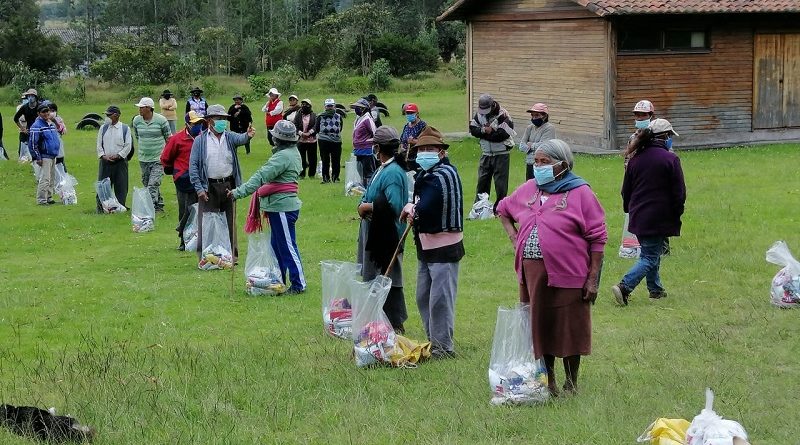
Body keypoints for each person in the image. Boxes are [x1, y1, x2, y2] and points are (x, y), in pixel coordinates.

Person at [497, 139, 607, 395]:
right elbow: (502, 209)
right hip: (533, 276)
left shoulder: (581, 193)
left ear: (563, 165)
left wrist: (592, 279)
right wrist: (514, 237)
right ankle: (550, 382)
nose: (538, 167)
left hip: (569, 273)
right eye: (536, 161)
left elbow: (598, 238)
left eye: (544, 162)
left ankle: (571, 383)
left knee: (569, 327)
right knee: (540, 326)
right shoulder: (529, 189)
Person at [400, 126, 464, 358]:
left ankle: (443, 347)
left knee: (440, 299)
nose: (424, 153)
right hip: (425, 244)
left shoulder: (444, 174)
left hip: (444, 246)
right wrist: (413, 209)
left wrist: (410, 208)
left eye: (430, 149)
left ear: (441, 152)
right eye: (421, 149)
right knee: (423, 296)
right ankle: (433, 340)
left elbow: (426, 204)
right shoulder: (425, 174)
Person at [612, 119, 686, 306]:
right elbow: (679, 192)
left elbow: (625, 190)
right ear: (665, 136)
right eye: (670, 136)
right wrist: (677, 212)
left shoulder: (635, 159)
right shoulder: (671, 159)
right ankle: (624, 286)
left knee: (651, 251)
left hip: (638, 214)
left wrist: (629, 209)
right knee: (649, 257)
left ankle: (656, 290)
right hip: (659, 216)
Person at [228, 120, 306, 294]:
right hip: (278, 207)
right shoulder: (290, 152)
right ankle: (280, 279)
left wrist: (238, 192)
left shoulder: (283, 156)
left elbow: (261, 176)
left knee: (286, 246)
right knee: (277, 246)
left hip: (282, 207)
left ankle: (299, 284)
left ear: (277, 139)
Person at [357, 126, 410, 333]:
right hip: (374, 232)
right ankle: (377, 320)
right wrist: (362, 204)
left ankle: (394, 323)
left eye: (374, 146)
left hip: (387, 236)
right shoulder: (382, 168)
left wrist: (367, 207)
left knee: (388, 278)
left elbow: (395, 205)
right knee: (373, 276)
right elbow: (369, 193)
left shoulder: (394, 173)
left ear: (378, 147)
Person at [189, 104, 255, 261]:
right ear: (210, 121)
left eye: (225, 119)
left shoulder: (229, 136)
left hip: (228, 185)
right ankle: (206, 257)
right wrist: (199, 189)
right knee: (207, 223)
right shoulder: (200, 141)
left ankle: (231, 256)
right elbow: (193, 167)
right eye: (220, 119)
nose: (223, 122)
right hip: (208, 186)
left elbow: (241, 138)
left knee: (230, 221)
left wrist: (248, 135)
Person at [161, 111, 206, 250]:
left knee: (202, 209)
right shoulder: (177, 139)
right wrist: (175, 172)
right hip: (184, 179)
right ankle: (183, 239)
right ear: (187, 124)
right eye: (194, 124)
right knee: (185, 208)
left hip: (201, 178)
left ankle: (200, 239)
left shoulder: (204, 137)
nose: (197, 126)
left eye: (199, 123)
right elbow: (165, 158)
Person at [469, 93, 515, 215]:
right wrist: (485, 130)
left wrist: (485, 135)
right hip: (486, 154)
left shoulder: (503, 115)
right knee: (482, 182)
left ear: (493, 105)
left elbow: (503, 134)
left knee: (501, 185)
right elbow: (473, 130)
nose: (484, 112)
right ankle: (479, 208)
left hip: (501, 154)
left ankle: (499, 210)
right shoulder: (479, 115)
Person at [132, 97, 171, 213]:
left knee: (153, 184)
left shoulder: (161, 120)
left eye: (141, 107)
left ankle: (150, 208)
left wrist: (166, 155)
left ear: (149, 108)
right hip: (143, 158)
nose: (139, 109)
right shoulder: (136, 121)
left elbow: (169, 138)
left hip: (158, 158)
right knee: (146, 183)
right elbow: (137, 136)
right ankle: (159, 205)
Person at [95, 105, 132, 212]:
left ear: (116, 116)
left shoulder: (125, 128)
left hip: (120, 162)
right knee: (103, 186)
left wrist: (119, 155)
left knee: (121, 185)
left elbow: (128, 145)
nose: (106, 117)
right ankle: (101, 207)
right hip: (105, 161)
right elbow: (99, 144)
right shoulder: (103, 128)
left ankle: (119, 207)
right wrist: (103, 156)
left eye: (108, 115)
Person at [28, 103, 62, 205]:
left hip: (53, 155)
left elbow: (58, 131)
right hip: (44, 156)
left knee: (51, 178)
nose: (46, 113)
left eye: (47, 111)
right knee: (45, 178)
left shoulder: (50, 123)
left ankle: (49, 197)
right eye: (43, 112)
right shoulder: (36, 126)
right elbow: (33, 143)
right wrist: (37, 157)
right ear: (39, 113)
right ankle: (41, 199)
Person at [518, 103, 556, 180]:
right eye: (532, 115)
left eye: (537, 115)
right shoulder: (529, 128)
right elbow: (521, 146)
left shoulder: (549, 128)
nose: (534, 118)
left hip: (543, 164)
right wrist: (534, 147)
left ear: (544, 116)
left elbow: (545, 146)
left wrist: (530, 145)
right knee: (530, 187)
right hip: (530, 162)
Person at [315, 98, 344, 184]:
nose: (330, 107)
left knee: (336, 160)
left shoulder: (339, 116)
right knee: (325, 160)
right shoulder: (320, 116)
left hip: (336, 141)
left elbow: (340, 128)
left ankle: (335, 178)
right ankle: (325, 178)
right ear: (325, 106)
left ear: (334, 106)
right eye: (328, 106)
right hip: (324, 140)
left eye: (331, 106)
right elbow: (317, 128)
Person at [350, 98, 377, 186]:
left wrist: (367, 141)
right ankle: (363, 188)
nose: (356, 109)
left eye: (359, 107)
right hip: (358, 150)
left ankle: (369, 188)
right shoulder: (358, 119)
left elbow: (375, 134)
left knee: (368, 172)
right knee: (360, 172)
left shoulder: (368, 119)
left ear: (364, 108)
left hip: (367, 150)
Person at [292, 98, 317, 179]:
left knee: (312, 159)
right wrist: (301, 133)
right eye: (302, 104)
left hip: (312, 140)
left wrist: (309, 133)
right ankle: (301, 174)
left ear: (310, 106)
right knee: (300, 158)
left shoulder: (314, 115)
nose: (304, 106)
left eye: (306, 104)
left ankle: (311, 175)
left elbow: (316, 126)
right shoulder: (298, 115)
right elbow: (295, 125)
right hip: (301, 140)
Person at [13, 88, 41, 159]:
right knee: (31, 149)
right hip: (29, 131)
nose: (30, 98)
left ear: (35, 97)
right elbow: (15, 118)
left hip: (40, 130)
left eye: (32, 96)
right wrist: (23, 128)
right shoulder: (24, 107)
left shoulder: (40, 106)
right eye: (29, 96)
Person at [48, 102, 68, 172]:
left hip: (58, 142)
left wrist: (55, 122)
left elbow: (62, 130)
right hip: (48, 144)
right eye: (49, 111)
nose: (51, 113)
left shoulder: (59, 119)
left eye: (53, 111)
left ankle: (63, 176)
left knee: (60, 160)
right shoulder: (44, 120)